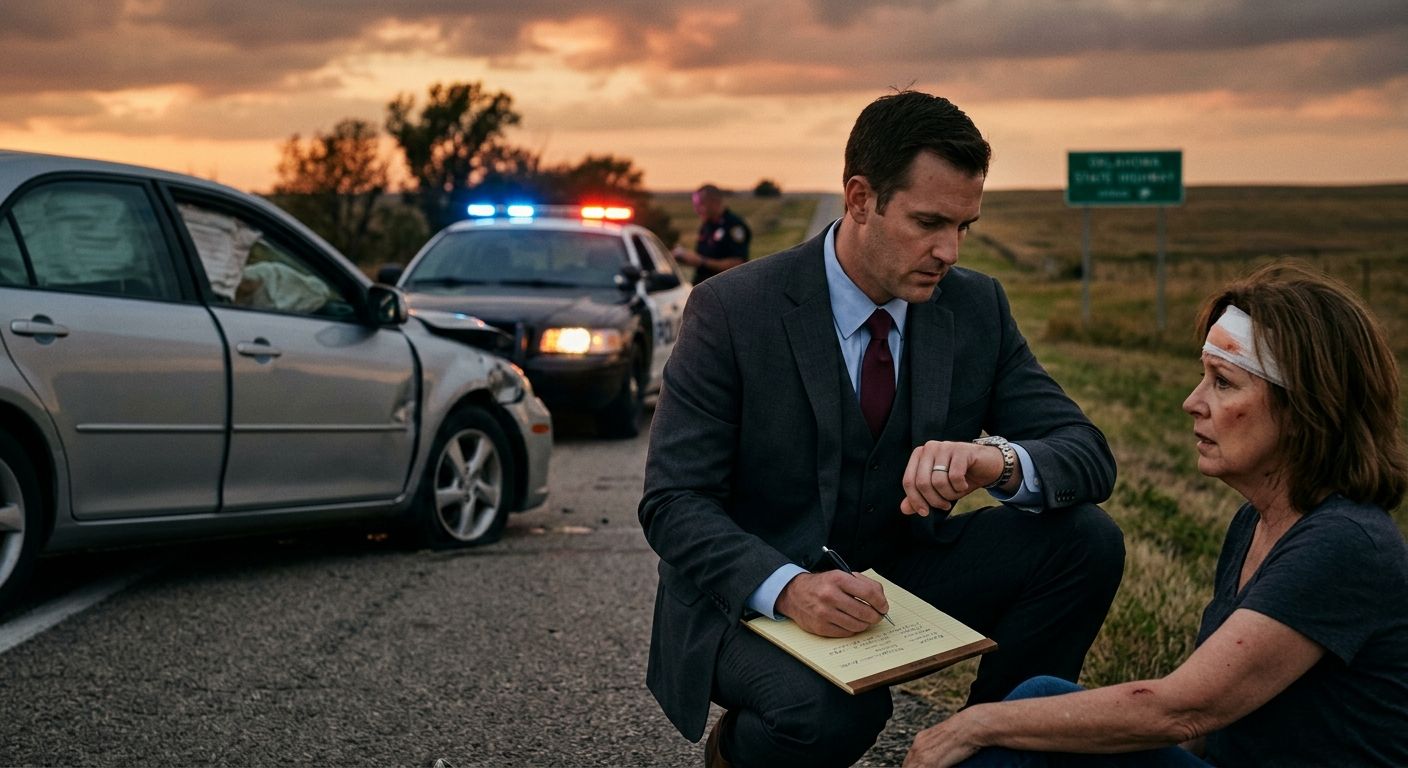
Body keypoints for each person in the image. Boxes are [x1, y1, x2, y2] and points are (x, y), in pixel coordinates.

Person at [638, 90, 1124, 768]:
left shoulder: (976, 306)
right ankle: (736, 756)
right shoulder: (732, 310)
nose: (948, 250)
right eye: (929, 222)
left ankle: (992, 749)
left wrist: (997, 462)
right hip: (748, 598)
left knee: (1086, 541)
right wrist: (788, 587)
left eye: (964, 226)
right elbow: (673, 501)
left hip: (901, 574)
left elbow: (1087, 454)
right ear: (861, 199)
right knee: (834, 712)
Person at [905, 262, 1408, 768]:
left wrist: (978, 724)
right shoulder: (1257, 523)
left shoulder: (1344, 543)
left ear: (1305, 408)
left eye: (1223, 382)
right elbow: (1205, 730)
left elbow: (1182, 710)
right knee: (1042, 714)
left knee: (1029, 715)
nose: (1193, 402)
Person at [671, 184, 751, 282]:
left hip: (723, 286)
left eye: (700, 205)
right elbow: (703, 256)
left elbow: (738, 264)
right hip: (703, 285)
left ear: (714, 202)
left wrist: (702, 262)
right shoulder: (707, 226)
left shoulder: (734, 226)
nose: (696, 210)